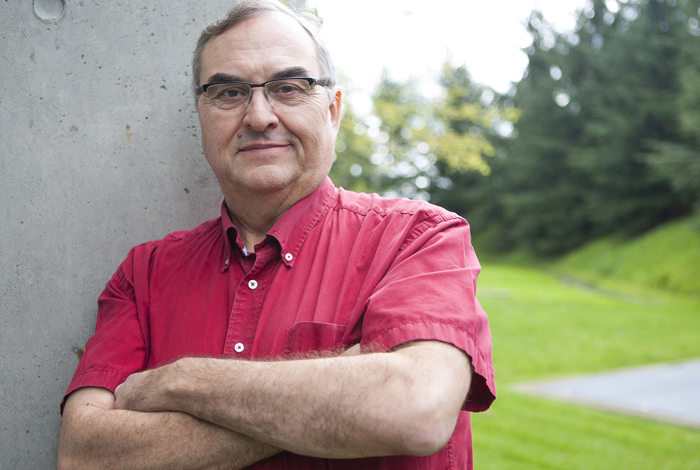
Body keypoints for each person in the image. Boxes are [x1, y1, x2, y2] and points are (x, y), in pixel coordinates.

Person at [57, 0, 495, 468]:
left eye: (289, 87)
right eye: (228, 93)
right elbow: (85, 455)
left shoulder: (420, 238)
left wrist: (178, 382)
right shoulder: (144, 274)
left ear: (333, 110)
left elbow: (413, 411)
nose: (259, 116)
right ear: (201, 115)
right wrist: (342, 395)